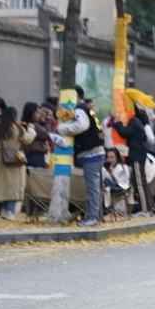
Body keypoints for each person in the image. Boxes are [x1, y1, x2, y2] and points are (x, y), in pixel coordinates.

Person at [56, 86, 106, 227]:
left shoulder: (80, 109)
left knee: (92, 187)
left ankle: (92, 217)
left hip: (91, 153)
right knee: (96, 187)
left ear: (74, 96)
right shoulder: (87, 109)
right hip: (97, 152)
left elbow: (81, 126)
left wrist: (62, 129)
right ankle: (97, 215)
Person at [0, 106, 36, 221]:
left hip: (1, 162)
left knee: (3, 186)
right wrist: (31, 130)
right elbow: (27, 140)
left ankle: (3, 210)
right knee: (14, 186)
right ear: (14, 116)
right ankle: (10, 211)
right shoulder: (17, 128)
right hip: (15, 161)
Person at [117, 109, 154, 216]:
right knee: (141, 182)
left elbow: (125, 132)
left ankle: (145, 210)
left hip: (136, 156)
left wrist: (118, 123)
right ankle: (147, 207)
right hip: (138, 155)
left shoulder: (134, 122)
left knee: (139, 183)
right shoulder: (138, 123)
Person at [21, 102, 52, 169]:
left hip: (28, 154)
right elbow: (46, 135)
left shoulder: (24, 123)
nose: (39, 115)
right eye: (37, 112)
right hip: (35, 155)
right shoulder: (33, 125)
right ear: (31, 113)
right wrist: (47, 122)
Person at [101, 147, 131, 216]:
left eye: (112, 157)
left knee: (103, 182)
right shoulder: (107, 168)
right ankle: (103, 208)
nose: (109, 160)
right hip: (110, 188)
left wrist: (112, 172)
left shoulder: (122, 167)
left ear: (117, 158)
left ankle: (105, 208)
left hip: (120, 189)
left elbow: (122, 183)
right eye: (108, 158)